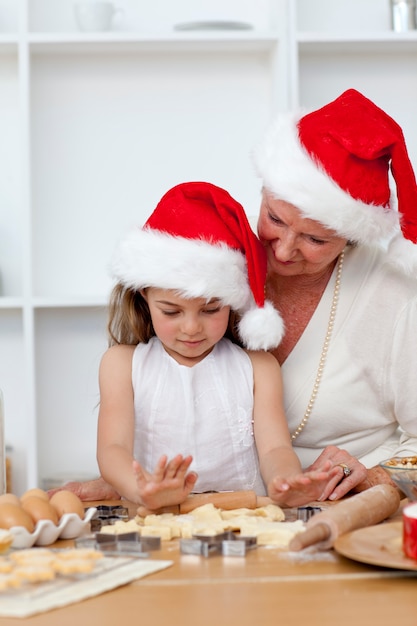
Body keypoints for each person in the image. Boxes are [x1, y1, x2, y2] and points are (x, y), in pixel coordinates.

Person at [71, 181, 338, 510]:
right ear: (144, 295)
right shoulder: (121, 364)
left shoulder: (258, 367)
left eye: (211, 310)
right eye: (171, 311)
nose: (191, 327)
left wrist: (286, 480)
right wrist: (142, 489)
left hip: (243, 521)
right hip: (155, 519)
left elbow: (274, 449)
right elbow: (112, 450)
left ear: (232, 302)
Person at [251, 87, 417, 501]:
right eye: (275, 218)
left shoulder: (394, 294)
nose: (285, 249)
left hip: (342, 513)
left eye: (315, 239)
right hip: (226, 511)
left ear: (350, 237)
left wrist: (371, 479)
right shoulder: (222, 261)